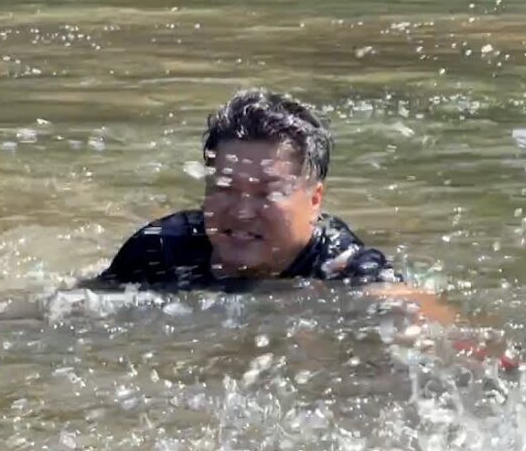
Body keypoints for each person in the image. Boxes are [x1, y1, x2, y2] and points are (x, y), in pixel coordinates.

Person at [85, 88, 455, 325]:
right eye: (225, 188)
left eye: (266, 193)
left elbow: (412, 307)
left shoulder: (339, 266)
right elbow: (81, 306)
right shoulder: (163, 248)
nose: (242, 211)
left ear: (314, 200)